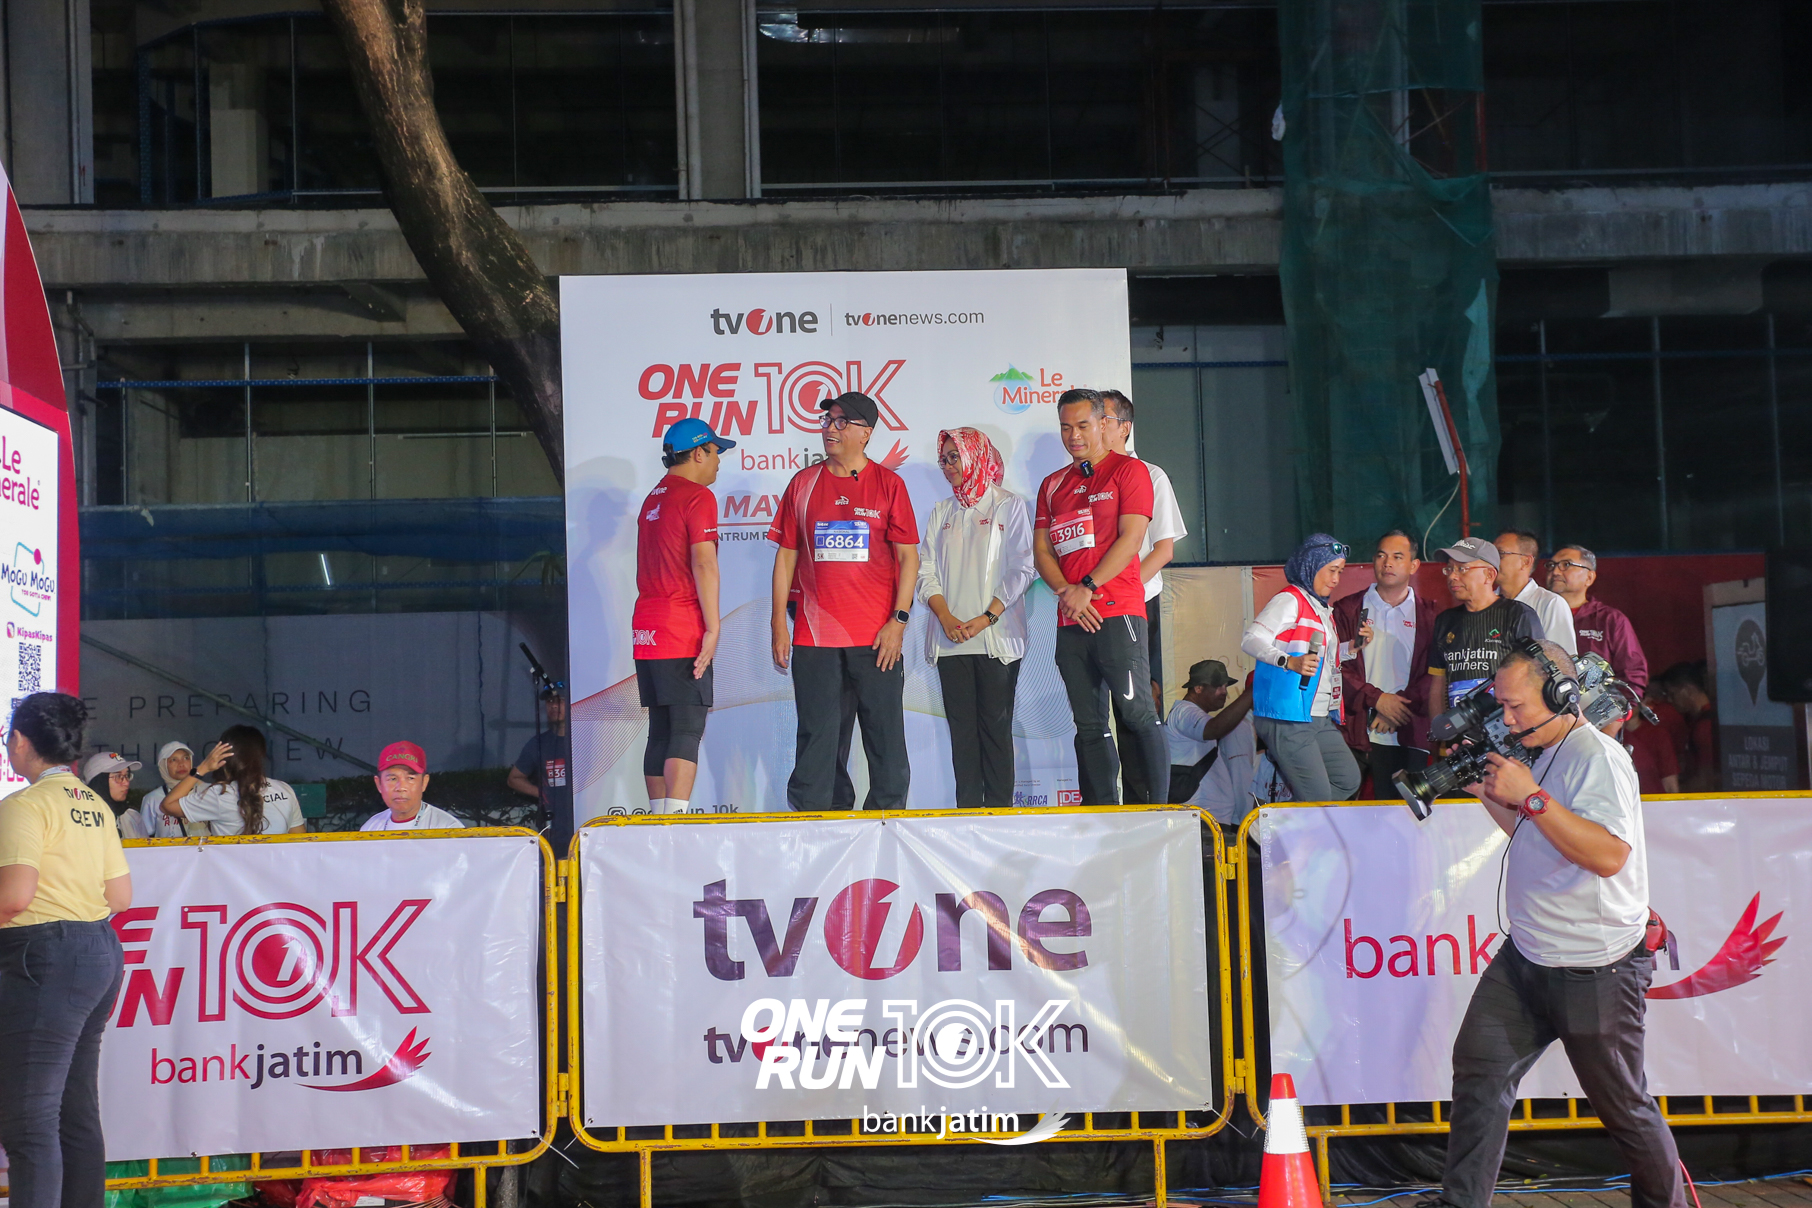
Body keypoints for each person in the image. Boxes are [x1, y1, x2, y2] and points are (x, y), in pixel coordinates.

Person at [1427, 640, 1684, 1208]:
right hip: (1527, 957)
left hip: (1595, 967)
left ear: (1562, 694)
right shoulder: (1541, 752)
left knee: (1623, 1109)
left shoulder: (1597, 758)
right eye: (1501, 705)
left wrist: (1533, 797)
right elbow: (1531, 829)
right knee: (1479, 1071)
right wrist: (1487, 791)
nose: (1507, 718)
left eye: (1516, 705)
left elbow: (1607, 856)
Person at [0, 693, 131, 1208]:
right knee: (76, 1112)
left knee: (30, 1122)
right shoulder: (93, 804)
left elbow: (14, 897)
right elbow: (120, 897)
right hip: (99, 950)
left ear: (20, 741)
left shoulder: (25, 806)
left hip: (44, 956)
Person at [769, 391, 920, 811]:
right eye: (827, 421)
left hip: (876, 636)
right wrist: (778, 622)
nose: (830, 429)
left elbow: (908, 558)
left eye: (841, 422)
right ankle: (819, 821)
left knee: (885, 736)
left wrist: (898, 621)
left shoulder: (889, 484)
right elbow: (786, 556)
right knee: (818, 736)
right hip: (815, 636)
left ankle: (885, 821)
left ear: (865, 433)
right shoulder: (803, 484)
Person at [1033, 388, 1168, 805]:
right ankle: (1100, 813)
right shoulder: (1052, 484)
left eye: (1082, 425)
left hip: (1118, 613)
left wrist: (1087, 587)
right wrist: (1067, 593)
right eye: (1065, 427)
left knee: (1136, 713)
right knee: (1089, 725)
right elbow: (1042, 552)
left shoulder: (1130, 471)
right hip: (1071, 618)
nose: (1074, 435)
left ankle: (1158, 812)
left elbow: (1132, 539)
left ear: (1102, 424)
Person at [918, 427, 1035, 809]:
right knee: (962, 736)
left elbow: (1022, 568)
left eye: (955, 457)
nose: (948, 466)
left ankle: (999, 815)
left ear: (975, 456)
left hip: (996, 641)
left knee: (996, 732)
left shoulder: (1008, 505)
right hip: (950, 641)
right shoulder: (941, 512)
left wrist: (986, 617)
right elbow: (925, 572)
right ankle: (966, 815)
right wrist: (946, 617)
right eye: (944, 459)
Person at [633, 416, 726, 814]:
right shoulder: (697, 497)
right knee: (686, 727)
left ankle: (658, 821)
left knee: (661, 730)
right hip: (680, 625)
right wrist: (713, 627)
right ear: (699, 453)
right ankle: (674, 823)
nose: (719, 460)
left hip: (647, 628)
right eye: (716, 452)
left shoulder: (652, 498)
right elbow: (703, 563)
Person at [1101, 389, 1188, 803]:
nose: (1095, 428)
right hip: (1093, 606)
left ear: (1124, 427)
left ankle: (1148, 803)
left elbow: (1163, 549)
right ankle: (1110, 803)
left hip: (1135, 604)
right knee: (1097, 715)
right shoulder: (1084, 480)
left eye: (1103, 419)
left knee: (1136, 708)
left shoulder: (1150, 476)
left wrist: (1124, 589)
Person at [1240, 534, 1360, 802]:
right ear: (1311, 565)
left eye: (1340, 572)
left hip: (1317, 714)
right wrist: (1288, 661)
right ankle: (1283, 822)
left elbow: (1318, 659)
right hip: (1288, 714)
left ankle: (1288, 817)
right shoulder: (1290, 600)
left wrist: (1350, 648)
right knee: (1317, 796)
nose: (1336, 579)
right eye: (1331, 570)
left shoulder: (1321, 608)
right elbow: (1250, 639)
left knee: (1347, 780)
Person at [1334, 529, 1439, 790]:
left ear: (1414, 565)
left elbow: (1434, 675)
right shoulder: (1347, 609)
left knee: (1402, 812)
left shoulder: (1431, 615)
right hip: (1354, 734)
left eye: (1397, 557)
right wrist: (1377, 699)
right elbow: (1335, 666)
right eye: (1381, 556)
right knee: (1344, 812)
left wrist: (1396, 708)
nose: (1387, 563)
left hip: (1407, 732)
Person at [1427, 537, 1539, 715]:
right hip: (1460, 727)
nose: (1452, 576)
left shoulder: (1518, 615)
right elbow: (1438, 684)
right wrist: (1440, 728)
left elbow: (1536, 677)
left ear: (1489, 575)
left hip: (1507, 725)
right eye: (1449, 569)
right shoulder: (1445, 621)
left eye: (1462, 569)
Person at [159, 726, 307, 836]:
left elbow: (167, 805)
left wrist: (202, 768)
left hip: (230, 871)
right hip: (274, 869)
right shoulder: (284, 790)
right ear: (262, 754)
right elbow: (300, 842)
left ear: (223, 755)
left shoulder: (219, 795)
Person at [1547, 544, 1649, 695]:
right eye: (1551, 565)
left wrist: (1620, 708)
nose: (1555, 572)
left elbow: (1633, 673)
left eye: (1566, 565)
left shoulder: (1610, 620)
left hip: (1596, 708)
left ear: (1589, 577)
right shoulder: (1536, 614)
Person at [1164, 660, 1257, 824]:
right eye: (1218, 686)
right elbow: (1214, 728)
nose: (1224, 692)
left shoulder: (1192, 714)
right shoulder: (1185, 712)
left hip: (1205, 820)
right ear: (1198, 688)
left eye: (1225, 686)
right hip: (1198, 821)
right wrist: (1251, 692)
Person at [1493, 530, 1577, 655]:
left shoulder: (1550, 603)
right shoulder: (1485, 603)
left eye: (1500, 554)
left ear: (1526, 562)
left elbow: (1562, 660)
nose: (1491, 560)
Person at [509, 684, 573, 838]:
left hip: (586, 822)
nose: (554, 706)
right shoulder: (539, 743)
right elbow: (514, 779)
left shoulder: (588, 738)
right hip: (554, 826)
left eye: (560, 700)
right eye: (550, 701)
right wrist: (542, 793)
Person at [361, 742, 463, 830]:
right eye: (393, 779)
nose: (401, 788)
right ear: (379, 784)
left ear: (424, 782)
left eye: (410, 778)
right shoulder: (370, 828)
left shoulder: (448, 828)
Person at [1655, 661, 1718, 791]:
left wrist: (1672, 794)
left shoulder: (1704, 727)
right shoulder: (1694, 721)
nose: (1670, 700)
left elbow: (1706, 780)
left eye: (1672, 694)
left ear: (1688, 690)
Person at [81, 752, 146, 840]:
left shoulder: (133, 817)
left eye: (127, 775)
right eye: (118, 776)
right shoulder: (81, 819)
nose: (126, 783)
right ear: (100, 782)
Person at [139, 742, 198, 838]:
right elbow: (143, 837)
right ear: (163, 765)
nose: (181, 764)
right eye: (174, 760)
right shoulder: (152, 798)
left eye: (186, 758)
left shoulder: (206, 792)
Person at [1620, 710, 1680, 795]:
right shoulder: (1608, 737)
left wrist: (1673, 801)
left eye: (1633, 702)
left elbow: (1669, 780)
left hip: (1653, 799)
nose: (1628, 705)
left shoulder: (1657, 734)